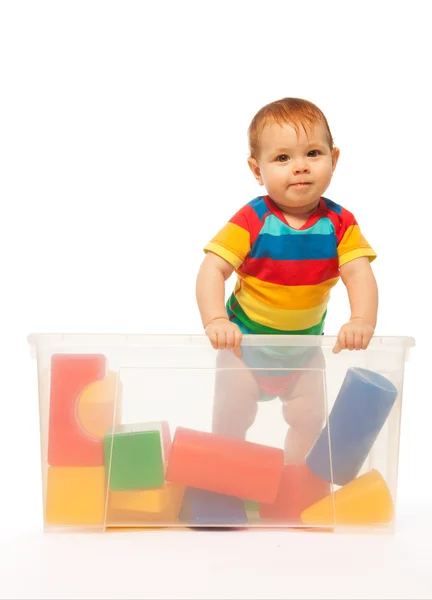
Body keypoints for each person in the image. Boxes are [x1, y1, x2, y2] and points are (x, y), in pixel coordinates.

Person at [195, 97, 378, 463]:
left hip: (304, 352)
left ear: (334, 159)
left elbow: (359, 273)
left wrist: (361, 321)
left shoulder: (341, 223)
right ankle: (225, 478)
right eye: (282, 158)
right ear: (256, 169)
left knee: (310, 420)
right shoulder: (252, 218)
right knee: (233, 416)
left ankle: (295, 485)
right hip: (243, 348)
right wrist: (216, 320)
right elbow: (212, 269)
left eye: (312, 153)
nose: (300, 167)